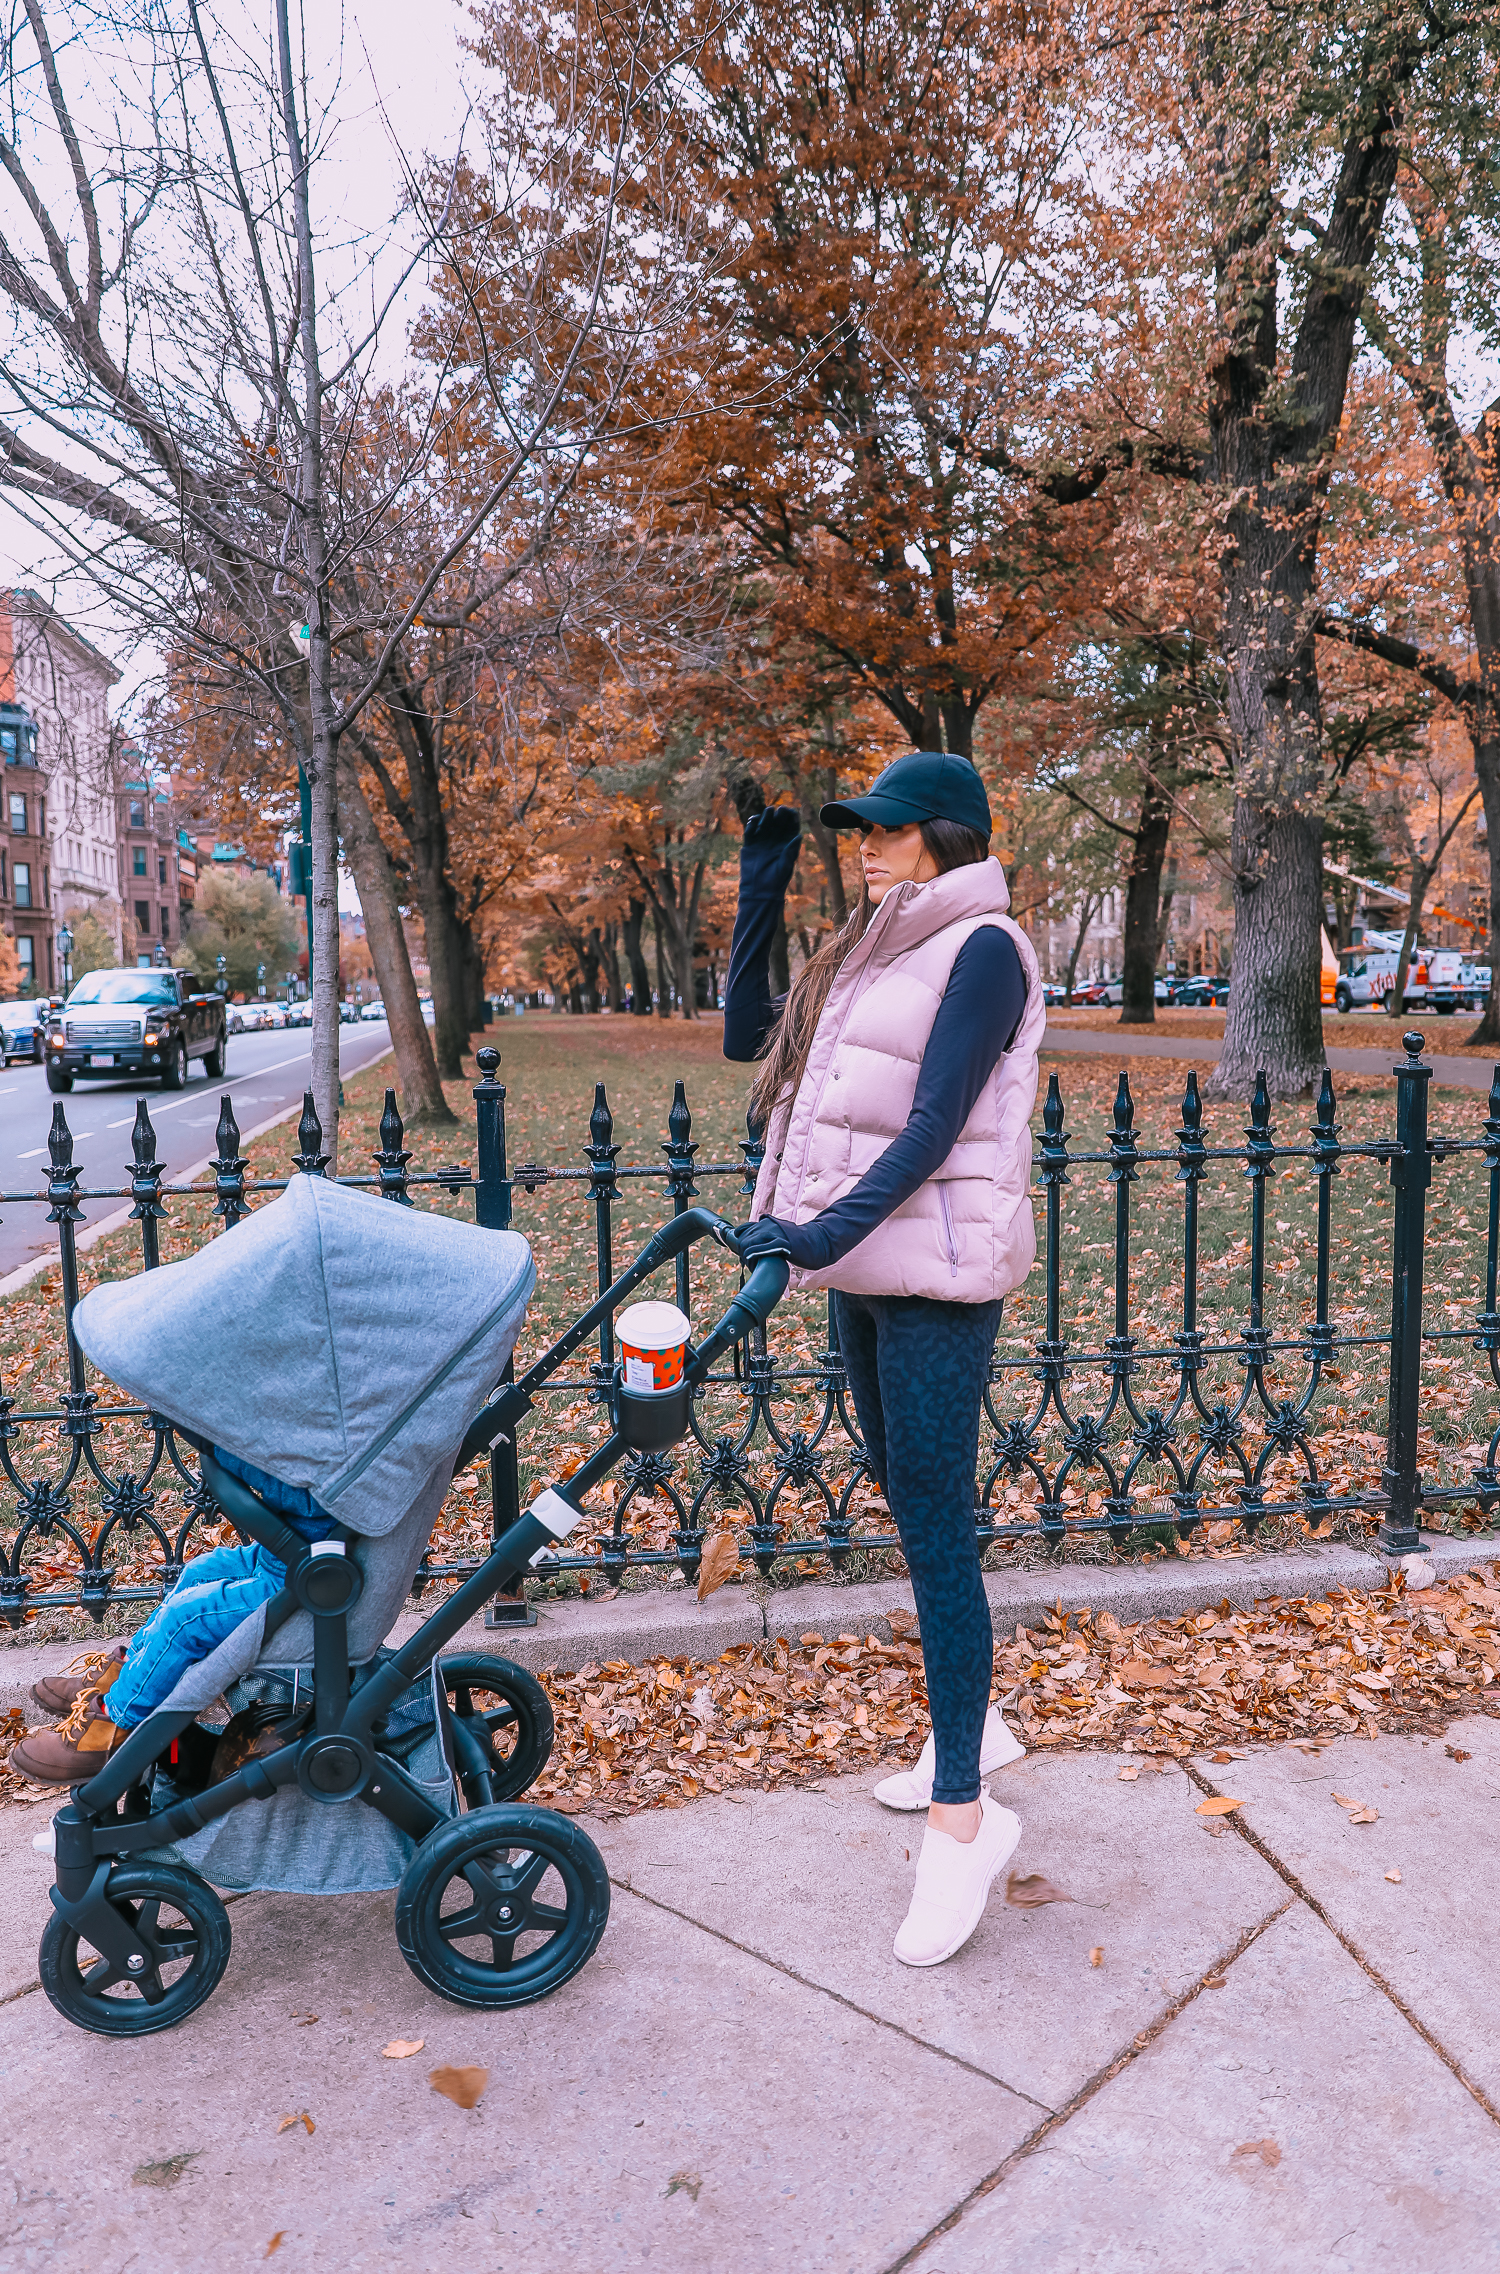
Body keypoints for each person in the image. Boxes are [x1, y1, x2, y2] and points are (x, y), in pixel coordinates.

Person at [725, 751, 1043, 1967]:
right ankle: (978, 1731)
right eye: (858, 827)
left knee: (937, 1525)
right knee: (912, 1510)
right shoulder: (869, 949)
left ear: (947, 839)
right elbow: (749, 1037)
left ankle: (966, 1822)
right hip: (866, 1270)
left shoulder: (984, 950)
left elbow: (935, 1127)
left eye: (890, 830)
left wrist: (814, 1235)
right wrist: (763, 878)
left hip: (937, 1279)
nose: (865, 843)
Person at [12, 1450, 337, 1784]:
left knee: (186, 1618)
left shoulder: (335, 1461)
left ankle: (113, 1728)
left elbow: (289, 1482)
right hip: (287, 1554)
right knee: (200, 1571)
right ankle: (128, 1675)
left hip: (306, 1580)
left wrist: (222, 1450)